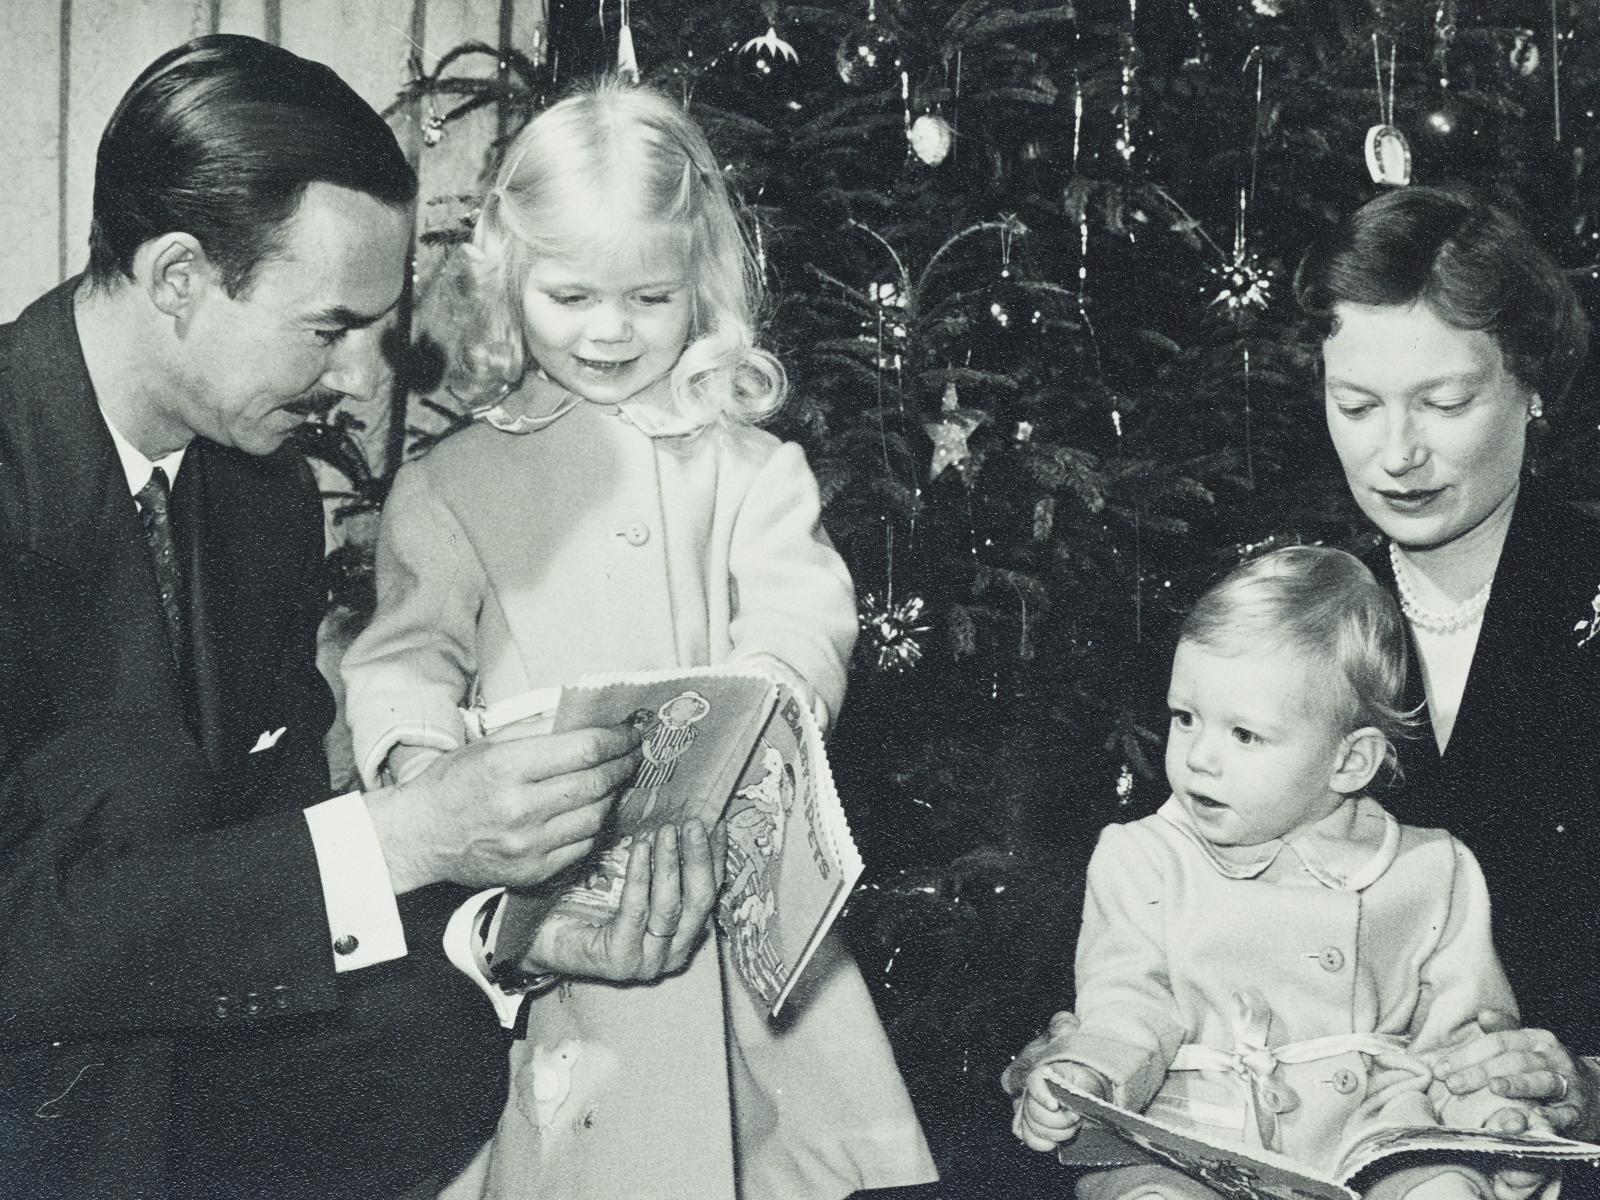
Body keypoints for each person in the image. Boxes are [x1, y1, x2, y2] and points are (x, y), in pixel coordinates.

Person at [0, 35, 715, 1200]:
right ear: (179, 276)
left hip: (135, 1059)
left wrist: (509, 934)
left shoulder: (257, 493)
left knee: (437, 1038)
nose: (362, 381)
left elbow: (257, 844)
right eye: (329, 330)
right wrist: (410, 834)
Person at [339, 76, 937, 1200]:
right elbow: (404, 656)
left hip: (715, 888)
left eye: (648, 299)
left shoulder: (749, 466)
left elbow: (803, 614)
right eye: (569, 296)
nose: (609, 330)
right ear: (510, 279)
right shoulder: (449, 484)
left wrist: (761, 698)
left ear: (698, 286)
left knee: (740, 1153)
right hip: (556, 893)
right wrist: (426, 768)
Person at [1003, 546, 1545, 1200]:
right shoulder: (1143, 854)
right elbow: (1125, 1001)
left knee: (1442, 1188)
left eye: (1245, 735)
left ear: (1348, 763)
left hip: (1371, 1130)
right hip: (1186, 1127)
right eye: (1185, 718)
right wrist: (1086, 1075)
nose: (1199, 756)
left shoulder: (1432, 869)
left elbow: (1464, 1041)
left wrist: (1499, 1131)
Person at [1295, 186, 1600, 1153]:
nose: (1399, 454)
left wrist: (1587, 1078)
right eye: (1357, 405)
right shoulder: (1289, 605)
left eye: (1447, 402)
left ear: (1533, 386)